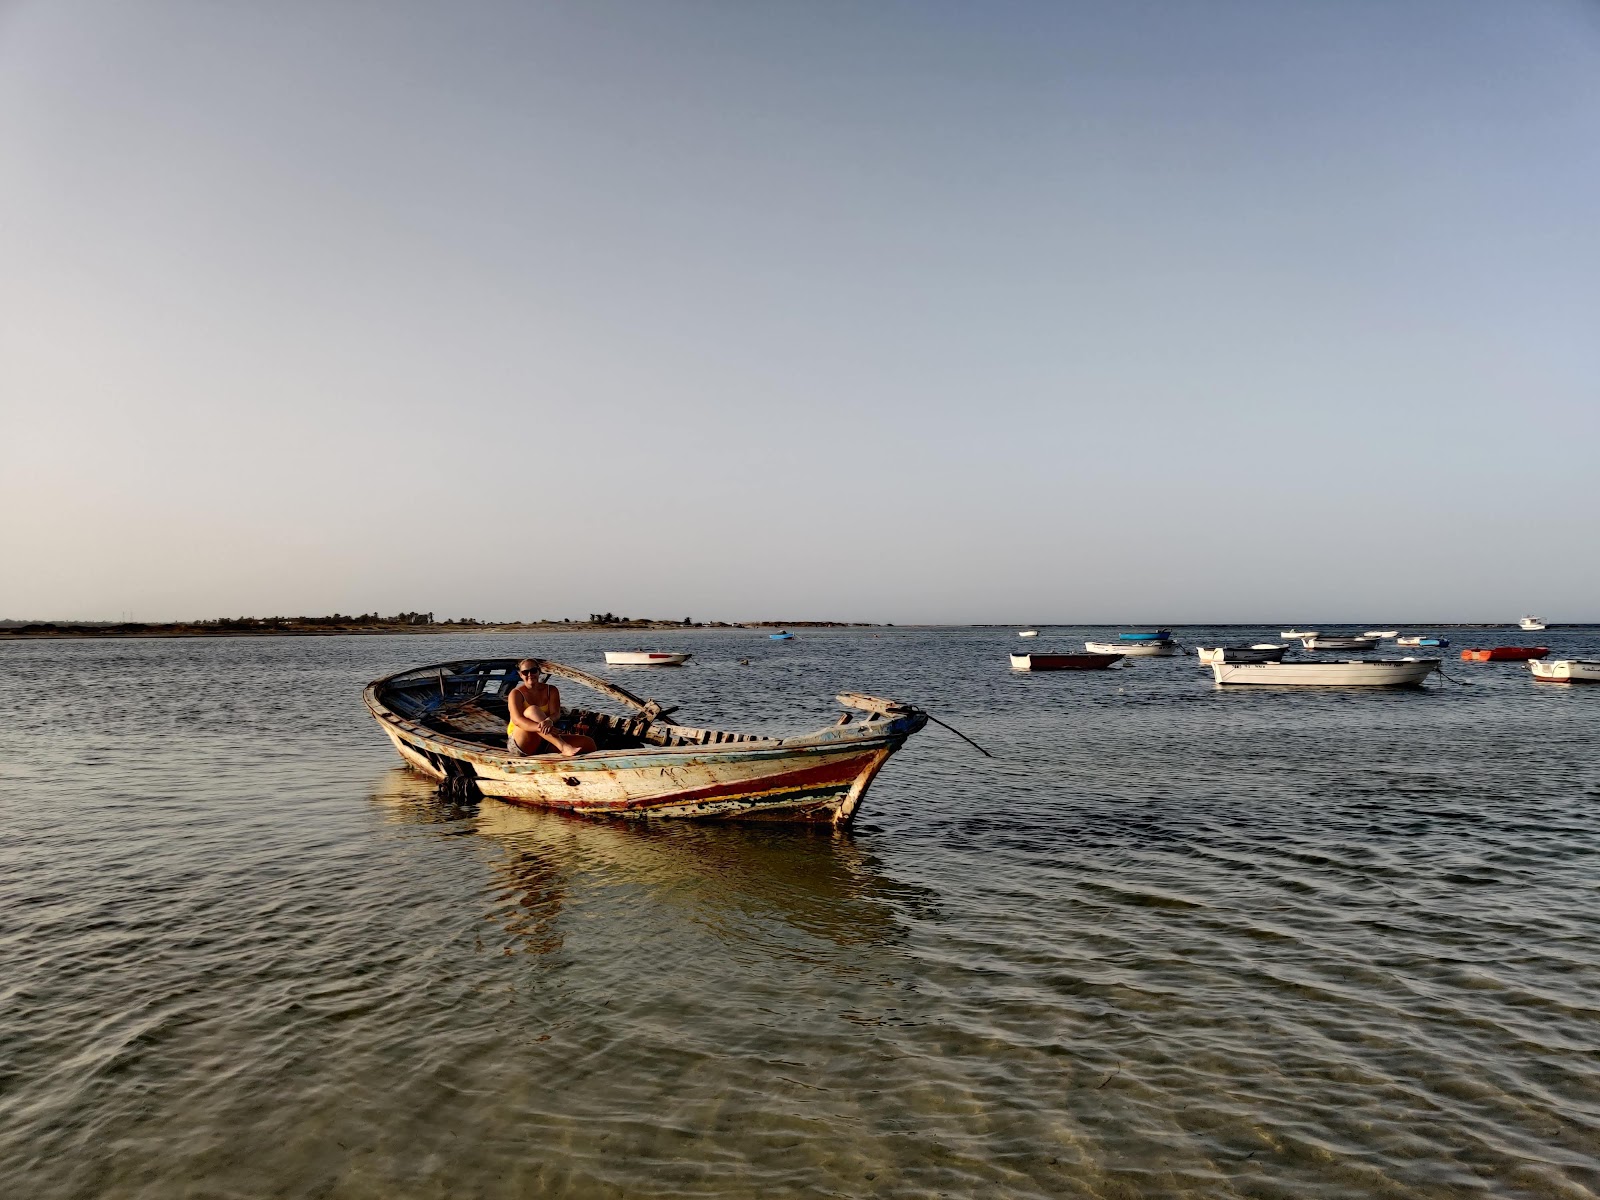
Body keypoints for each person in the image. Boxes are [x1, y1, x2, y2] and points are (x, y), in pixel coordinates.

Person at [506, 659, 596, 758]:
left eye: (533, 671)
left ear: (539, 671)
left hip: (545, 739)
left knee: (588, 743)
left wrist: (549, 721)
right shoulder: (516, 693)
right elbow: (517, 720)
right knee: (532, 710)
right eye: (525, 672)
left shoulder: (551, 690)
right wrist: (541, 728)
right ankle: (563, 747)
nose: (530, 674)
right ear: (521, 675)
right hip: (520, 743)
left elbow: (556, 714)